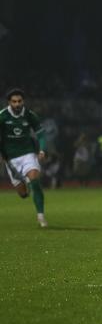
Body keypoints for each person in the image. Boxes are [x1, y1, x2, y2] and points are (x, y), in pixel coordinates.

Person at [0, 88, 49, 227]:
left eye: (19, 101)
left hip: (28, 153)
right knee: (23, 194)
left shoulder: (30, 115)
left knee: (34, 179)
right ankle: (26, 187)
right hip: (10, 159)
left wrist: (42, 150)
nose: (17, 104)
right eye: (14, 102)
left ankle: (41, 216)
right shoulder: (2, 116)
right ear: (9, 102)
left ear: (23, 101)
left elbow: (40, 134)